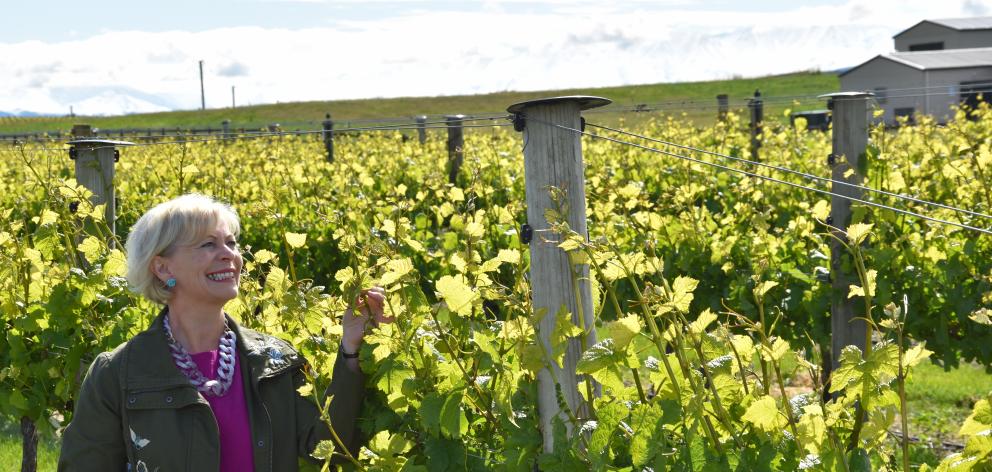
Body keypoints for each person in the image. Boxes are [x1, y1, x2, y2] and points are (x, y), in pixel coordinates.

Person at [58, 194, 392, 471]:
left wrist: (350, 347)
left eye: (231, 242)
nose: (229, 255)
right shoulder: (117, 373)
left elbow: (326, 450)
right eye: (207, 244)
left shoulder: (276, 360)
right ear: (162, 267)